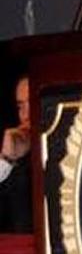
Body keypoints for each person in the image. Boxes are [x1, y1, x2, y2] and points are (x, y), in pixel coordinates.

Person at [0, 76, 31, 233]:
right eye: (20, 106)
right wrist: (6, 160)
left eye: (32, 103)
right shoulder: (15, 144)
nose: (26, 114)